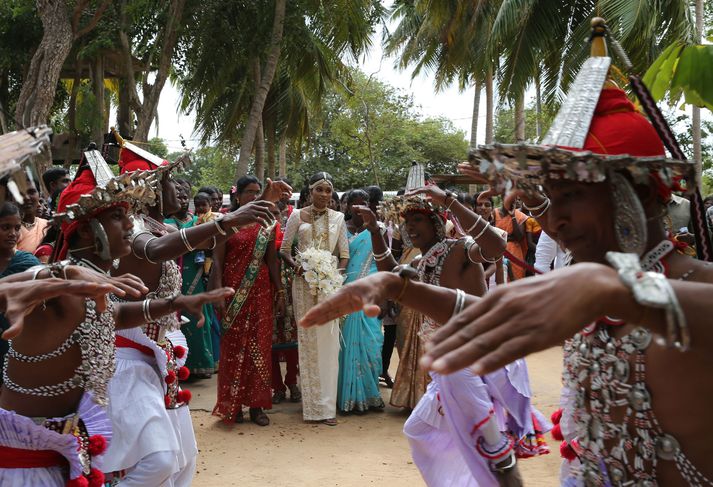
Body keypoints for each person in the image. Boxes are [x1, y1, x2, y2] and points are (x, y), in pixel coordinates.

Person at [397, 23, 713, 485]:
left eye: (571, 197)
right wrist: (395, 285)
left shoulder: (693, 286)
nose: (555, 218)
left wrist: (612, 289)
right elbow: (496, 309)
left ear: (640, 195)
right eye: (549, 198)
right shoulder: (592, 289)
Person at [0, 159, 231, 486]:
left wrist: (176, 303)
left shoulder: (96, 288)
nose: (129, 225)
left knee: (172, 460)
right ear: (84, 229)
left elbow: (116, 316)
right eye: (117, 216)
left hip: (60, 454)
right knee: (160, 461)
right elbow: (13, 289)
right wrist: (54, 273)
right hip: (23, 467)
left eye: (128, 215)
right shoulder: (61, 288)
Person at [304, 183, 551, 486]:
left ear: (435, 222)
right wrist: (377, 231)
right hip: (447, 364)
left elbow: (495, 248)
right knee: (418, 428)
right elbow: (391, 272)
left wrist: (450, 201)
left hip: (476, 351)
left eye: (417, 220)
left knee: (470, 408)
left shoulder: (459, 248)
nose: (410, 227)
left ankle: (501, 460)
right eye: (407, 223)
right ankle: (479, 471)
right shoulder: (421, 262)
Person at [105, 137, 288, 485]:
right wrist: (227, 220)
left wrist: (261, 202)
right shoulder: (137, 229)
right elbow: (156, 250)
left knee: (182, 458)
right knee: (155, 461)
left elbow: (214, 237)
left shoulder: (169, 226)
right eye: (170, 182)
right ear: (150, 190)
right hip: (133, 356)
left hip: (161, 356)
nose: (180, 190)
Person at [210, 176, 285, 426]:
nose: (253, 196)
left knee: (260, 347)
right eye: (249, 192)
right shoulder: (226, 223)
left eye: (256, 192)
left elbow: (271, 260)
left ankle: (257, 406)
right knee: (232, 347)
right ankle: (234, 405)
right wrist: (217, 291)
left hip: (261, 290)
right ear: (237, 196)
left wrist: (280, 291)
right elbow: (218, 260)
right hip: (233, 291)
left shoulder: (268, 223)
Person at [279, 172, 349, 426]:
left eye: (328, 190)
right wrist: (301, 270)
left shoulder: (339, 218)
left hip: (329, 285)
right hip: (303, 284)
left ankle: (327, 408)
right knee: (308, 341)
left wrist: (335, 276)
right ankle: (312, 408)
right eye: (319, 189)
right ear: (310, 191)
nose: (324, 195)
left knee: (330, 344)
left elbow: (344, 254)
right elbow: (285, 250)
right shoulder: (297, 216)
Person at [338, 189, 385, 413]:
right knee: (346, 347)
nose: (360, 208)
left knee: (372, 344)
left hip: (370, 297)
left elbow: (383, 263)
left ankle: (370, 394)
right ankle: (349, 398)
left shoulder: (377, 231)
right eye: (355, 204)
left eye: (364, 203)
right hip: (345, 296)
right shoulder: (340, 230)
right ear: (347, 206)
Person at [165, 187, 216, 379]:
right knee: (178, 318)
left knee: (199, 318)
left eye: (185, 197)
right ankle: (178, 364)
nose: (182, 200)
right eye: (178, 197)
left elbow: (209, 242)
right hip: (175, 273)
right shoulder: (165, 221)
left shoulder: (199, 221)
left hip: (196, 273)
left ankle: (201, 365)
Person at [0, 202, 40, 378]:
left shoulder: (27, 263)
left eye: (17, 228)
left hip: (18, 340)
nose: (13, 234)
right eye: (5, 227)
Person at [271, 201, 301, 405]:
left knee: (292, 342)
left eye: (278, 212)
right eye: (271, 212)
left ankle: (292, 383)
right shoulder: (261, 235)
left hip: (290, 290)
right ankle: (277, 387)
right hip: (268, 290)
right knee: (270, 343)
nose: (275, 217)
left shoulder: (292, 235)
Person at [493, 199, 528, 280]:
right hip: (498, 252)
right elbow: (492, 234)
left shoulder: (520, 215)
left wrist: (513, 216)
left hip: (515, 254)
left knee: (516, 280)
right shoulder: (494, 213)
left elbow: (519, 237)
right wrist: (510, 236)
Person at [16, 179, 49, 254]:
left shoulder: (47, 225)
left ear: (39, 195)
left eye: (31, 192)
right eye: (21, 193)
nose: (27, 197)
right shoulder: (5, 229)